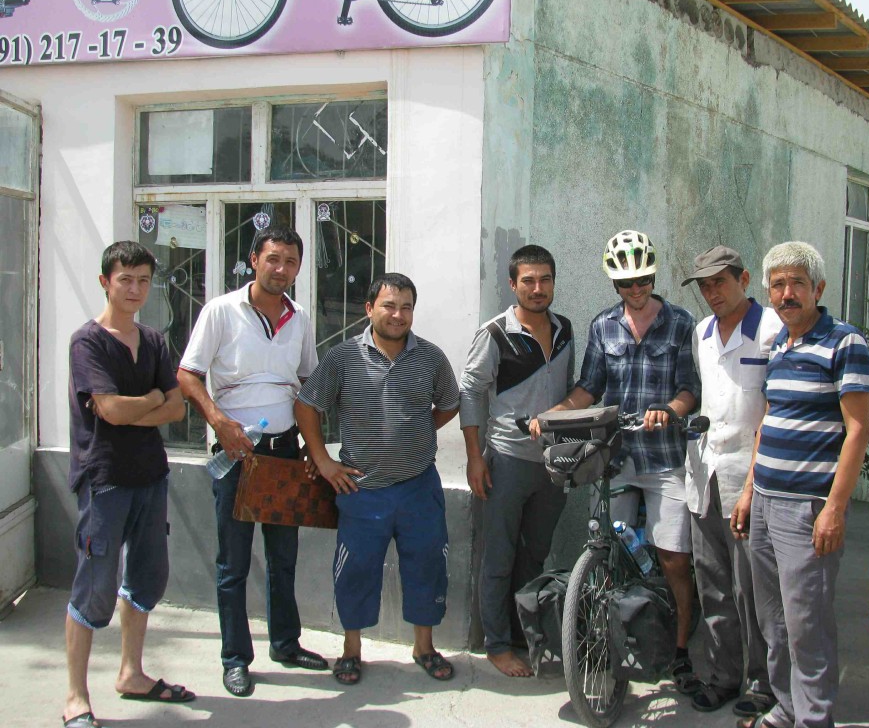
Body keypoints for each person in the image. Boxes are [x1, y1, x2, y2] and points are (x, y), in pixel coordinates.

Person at [541, 229, 701, 692]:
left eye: (644, 280)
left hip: (665, 457)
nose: (637, 289)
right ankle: (617, 640)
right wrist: (551, 416)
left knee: (671, 556)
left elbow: (690, 388)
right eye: (627, 283)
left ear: (653, 276)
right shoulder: (603, 325)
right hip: (615, 457)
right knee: (610, 553)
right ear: (615, 285)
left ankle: (680, 649)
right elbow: (589, 387)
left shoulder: (680, 323)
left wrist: (669, 410)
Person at [177, 226, 327, 699]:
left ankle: (285, 643)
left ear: (299, 269)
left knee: (284, 559)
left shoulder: (299, 317)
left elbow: (308, 383)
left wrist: (309, 446)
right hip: (238, 453)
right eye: (273, 259)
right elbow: (188, 374)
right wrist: (219, 422)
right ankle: (236, 659)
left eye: (290, 262)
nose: (281, 269)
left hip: (284, 452)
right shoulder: (221, 311)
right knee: (233, 563)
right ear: (254, 260)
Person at [731, 241, 869, 728]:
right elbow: (768, 422)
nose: (786, 293)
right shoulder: (778, 348)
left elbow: (858, 430)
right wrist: (749, 492)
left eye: (796, 283)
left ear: (818, 288)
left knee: (806, 623)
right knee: (772, 621)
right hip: (766, 504)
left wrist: (834, 508)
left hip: (808, 507)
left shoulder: (844, 343)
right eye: (778, 284)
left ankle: (814, 718)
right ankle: (786, 706)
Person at [295, 272, 461, 686]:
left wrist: (415, 434)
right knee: (355, 571)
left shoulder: (431, 358)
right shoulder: (342, 358)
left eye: (406, 307)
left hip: (418, 485)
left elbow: (449, 404)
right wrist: (323, 459)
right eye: (389, 305)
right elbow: (306, 406)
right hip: (361, 489)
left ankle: (424, 646)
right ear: (369, 309)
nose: (398, 314)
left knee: (427, 567)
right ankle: (351, 651)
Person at [64, 241, 191, 728]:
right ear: (105, 282)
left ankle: (131, 674)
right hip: (105, 480)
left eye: (143, 280)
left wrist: (139, 403)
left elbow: (177, 407)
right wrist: (151, 398)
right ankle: (76, 697)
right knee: (94, 586)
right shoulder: (88, 342)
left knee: (146, 579)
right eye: (125, 280)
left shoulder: (155, 341)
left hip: (150, 476)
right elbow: (109, 410)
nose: (135, 289)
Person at [460, 245, 575, 677]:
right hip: (506, 459)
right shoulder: (494, 334)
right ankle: (496, 645)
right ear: (513, 285)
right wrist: (475, 458)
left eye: (545, 279)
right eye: (528, 280)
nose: (537, 288)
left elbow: (569, 393)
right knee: (499, 554)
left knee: (534, 554)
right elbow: (470, 392)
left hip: (554, 464)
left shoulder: (564, 329)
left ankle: (525, 632)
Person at [681, 246, 781, 716]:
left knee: (753, 589)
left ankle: (762, 683)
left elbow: (775, 411)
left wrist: (754, 484)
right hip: (705, 474)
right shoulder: (701, 332)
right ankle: (722, 675)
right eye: (704, 285)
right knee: (714, 584)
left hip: (751, 478)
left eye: (720, 281)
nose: (712, 292)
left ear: (744, 279)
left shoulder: (771, 329)